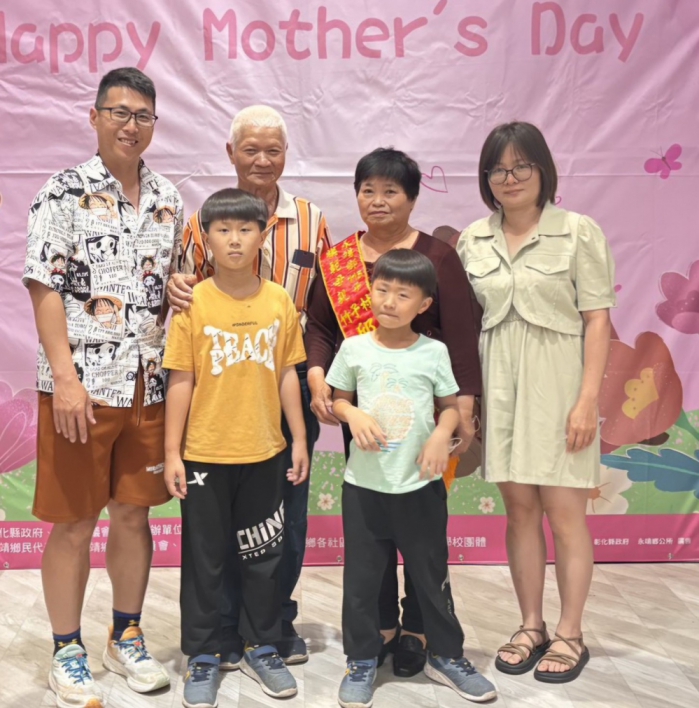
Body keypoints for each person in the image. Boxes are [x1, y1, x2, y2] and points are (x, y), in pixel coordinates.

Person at [22, 67, 181, 708]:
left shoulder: (169, 198)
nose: (130, 125)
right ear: (94, 117)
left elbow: (171, 284)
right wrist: (64, 379)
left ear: (153, 124)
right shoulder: (63, 191)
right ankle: (67, 649)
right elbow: (44, 286)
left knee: (134, 514)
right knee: (73, 521)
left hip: (148, 384)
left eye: (142, 115)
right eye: (119, 112)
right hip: (80, 388)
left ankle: (126, 635)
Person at [305, 147, 481, 676]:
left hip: (427, 417)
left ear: (412, 198)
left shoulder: (436, 258)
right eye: (368, 191)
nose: (378, 201)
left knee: (421, 533)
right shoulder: (338, 260)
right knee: (371, 530)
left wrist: (462, 411)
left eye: (391, 191)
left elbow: (462, 337)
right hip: (361, 413)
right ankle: (379, 627)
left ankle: (419, 629)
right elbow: (320, 328)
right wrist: (318, 377)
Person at [167, 105, 327, 666]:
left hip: (286, 378)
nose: (262, 160)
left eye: (273, 150)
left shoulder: (310, 219)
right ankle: (222, 628)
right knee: (217, 522)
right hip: (219, 389)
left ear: (286, 155)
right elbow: (182, 294)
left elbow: (323, 307)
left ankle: (274, 622)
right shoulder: (201, 222)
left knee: (285, 515)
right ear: (230, 153)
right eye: (251, 149)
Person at [457, 122, 615, 683]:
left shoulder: (577, 232)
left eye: (522, 165)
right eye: (498, 169)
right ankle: (531, 625)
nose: (511, 177)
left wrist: (586, 401)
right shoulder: (472, 240)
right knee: (519, 511)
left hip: (560, 386)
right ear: (486, 179)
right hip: (500, 386)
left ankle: (571, 633)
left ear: (543, 169)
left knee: (566, 515)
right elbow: (464, 327)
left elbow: (598, 320)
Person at [326, 249, 496, 707]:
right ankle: (362, 659)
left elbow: (449, 407)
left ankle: (446, 655)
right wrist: (352, 414)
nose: (389, 301)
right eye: (382, 290)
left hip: (419, 486)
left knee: (430, 576)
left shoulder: (433, 351)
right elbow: (337, 399)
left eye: (403, 295)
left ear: (424, 305)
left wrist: (442, 435)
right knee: (362, 582)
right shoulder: (354, 348)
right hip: (364, 489)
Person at [163, 188, 309, 707]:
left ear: (262, 235)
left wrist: (298, 439)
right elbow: (181, 379)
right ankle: (203, 654)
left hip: (266, 451)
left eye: (245, 229)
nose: (234, 240)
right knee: (204, 560)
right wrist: (173, 452)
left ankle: (262, 645)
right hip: (204, 455)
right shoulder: (193, 302)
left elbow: (288, 372)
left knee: (263, 555)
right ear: (205, 238)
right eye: (222, 230)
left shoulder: (278, 300)